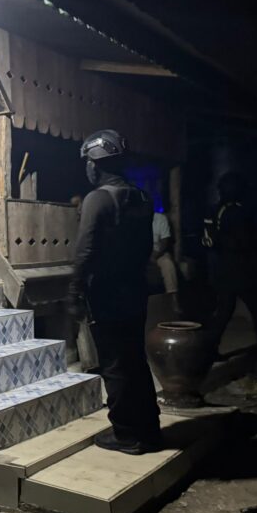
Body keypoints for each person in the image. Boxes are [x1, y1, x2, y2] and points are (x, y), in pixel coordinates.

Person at [68, 129, 163, 454]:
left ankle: (126, 434)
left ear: (95, 164)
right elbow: (146, 246)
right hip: (135, 288)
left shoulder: (98, 198)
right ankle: (149, 430)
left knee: (113, 364)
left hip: (107, 292)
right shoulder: (141, 198)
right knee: (135, 359)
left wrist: (74, 292)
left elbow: (85, 251)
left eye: (87, 162)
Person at [204, 172, 257, 366]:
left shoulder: (216, 210)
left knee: (224, 312)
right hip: (241, 270)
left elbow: (211, 241)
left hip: (224, 269)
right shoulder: (237, 211)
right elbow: (244, 241)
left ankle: (209, 352)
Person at [150, 210, 180, 309]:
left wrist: (154, 255)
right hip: (142, 253)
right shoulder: (135, 219)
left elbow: (164, 242)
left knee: (167, 264)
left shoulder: (160, 218)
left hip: (159, 253)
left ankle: (173, 299)